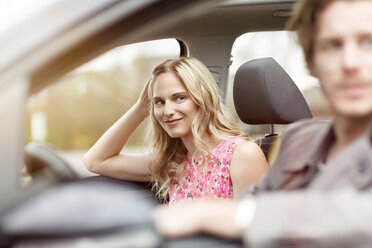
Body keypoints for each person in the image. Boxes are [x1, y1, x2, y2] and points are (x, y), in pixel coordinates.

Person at [153, 0, 372, 247]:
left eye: (368, 42)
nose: (350, 63)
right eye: (332, 46)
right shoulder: (299, 140)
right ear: (311, 63)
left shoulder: (242, 154)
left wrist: (225, 216)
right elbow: (254, 203)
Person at [83, 57, 268, 203]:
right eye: (159, 102)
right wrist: (140, 109)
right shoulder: (173, 162)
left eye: (179, 98)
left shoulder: (243, 154)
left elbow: (256, 234)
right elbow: (95, 161)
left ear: (201, 99)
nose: (168, 111)